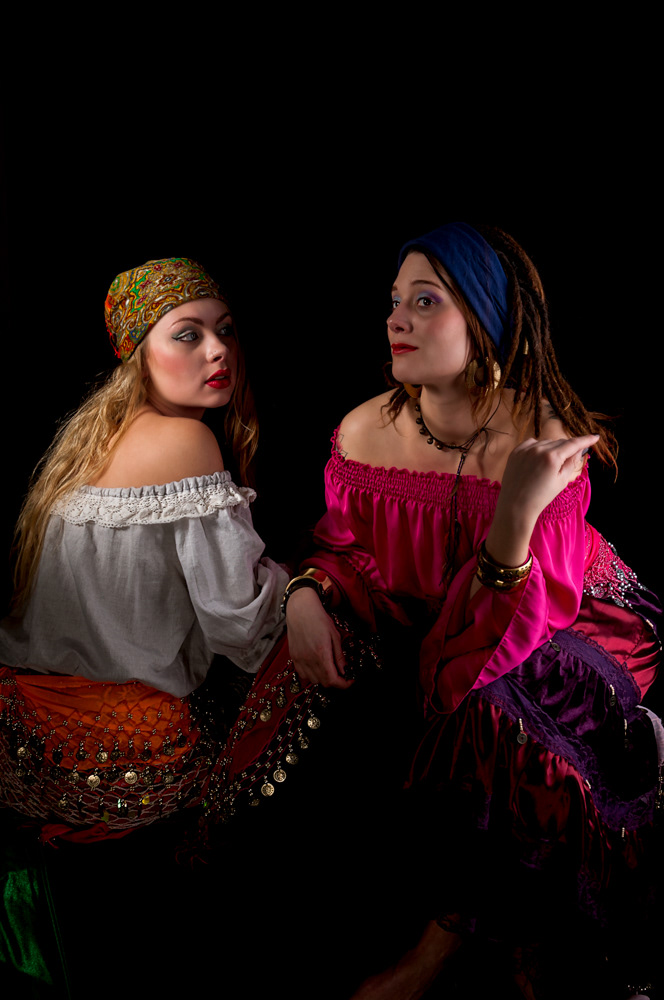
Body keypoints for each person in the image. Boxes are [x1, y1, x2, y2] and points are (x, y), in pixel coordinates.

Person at [283, 224, 663, 999]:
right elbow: (346, 548)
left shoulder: (543, 440)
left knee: (496, 709)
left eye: (425, 302)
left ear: (486, 323)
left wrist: (515, 512)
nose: (396, 319)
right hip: (455, 631)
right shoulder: (363, 431)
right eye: (395, 300)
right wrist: (306, 593)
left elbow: (518, 625)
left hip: (576, 622)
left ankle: (444, 950)